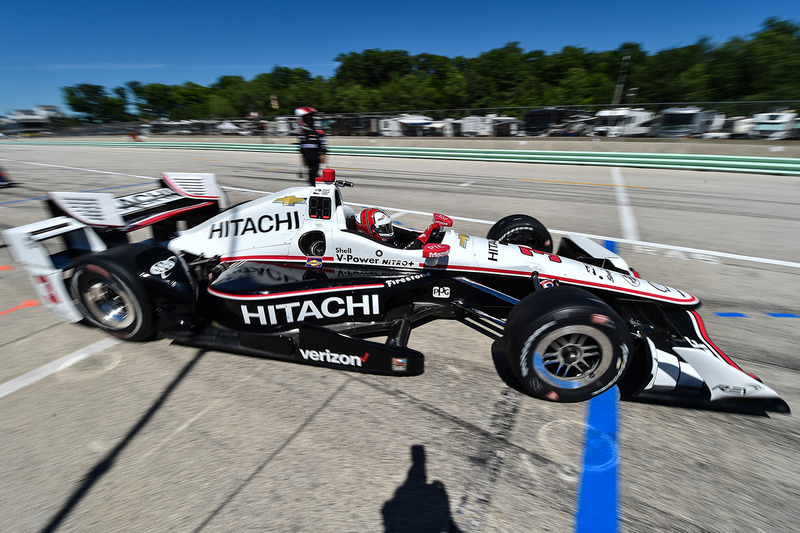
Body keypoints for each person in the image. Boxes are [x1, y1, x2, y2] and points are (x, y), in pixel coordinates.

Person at [354, 208, 451, 250]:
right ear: (370, 230)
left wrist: (428, 234)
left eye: (388, 226)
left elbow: (409, 236)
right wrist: (426, 233)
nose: (388, 231)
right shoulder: (379, 246)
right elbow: (405, 253)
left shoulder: (389, 238)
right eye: (384, 228)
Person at [295, 107, 327, 186]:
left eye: (311, 118)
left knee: (313, 178)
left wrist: (323, 164)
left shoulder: (319, 133)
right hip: (307, 160)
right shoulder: (301, 134)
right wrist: (301, 166)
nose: (310, 120)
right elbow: (302, 150)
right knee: (310, 178)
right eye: (307, 118)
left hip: (316, 160)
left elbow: (323, 148)